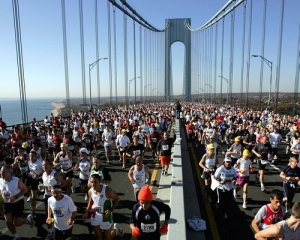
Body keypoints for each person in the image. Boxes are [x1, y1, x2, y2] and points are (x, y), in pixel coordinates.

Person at [82, 174, 124, 240]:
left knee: (107, 238)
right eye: (91, 182)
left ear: (100, 181)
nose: (93, 184)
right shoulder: (90, 191)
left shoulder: (107, 190)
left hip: (105, 216)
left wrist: (110, 210)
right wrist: (86, 212)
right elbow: (90, 202)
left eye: (95, 182)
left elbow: (117, 199)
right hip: (94, 214)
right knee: (99, 238)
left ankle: (116, 229)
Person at [0, 165, 35, 240]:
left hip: (17, 203)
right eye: (1, 171)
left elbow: (25, 189)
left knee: (17, 223)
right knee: (8, 222)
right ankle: (16, 236)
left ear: (9, 172)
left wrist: (15, 197)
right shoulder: (0, 181)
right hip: (6, 204)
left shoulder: (16, 180)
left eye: (3, 172)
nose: (1, 173)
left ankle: (28, 219)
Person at [42, 159, 66, 240]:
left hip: (56, 198)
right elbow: (45, 185)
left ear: (50, 165)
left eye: (46, 165)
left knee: (58, 214)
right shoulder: (43, 174)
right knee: (48, 216)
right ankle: (50, 231)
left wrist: (56, 190)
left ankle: (63, 228)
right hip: (47, 197)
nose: (44, 167)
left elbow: (64, 183)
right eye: (43, 165)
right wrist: (41, 187)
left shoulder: (55, 174)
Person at [27, 149, 44, 217]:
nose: (31, 157)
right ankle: (31, 196)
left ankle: (33, 210)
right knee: (26, 188)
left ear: (36, 156)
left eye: (33, 156)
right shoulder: (29, 162)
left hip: (39, 180)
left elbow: (45, 172)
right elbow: (30, 170)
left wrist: (39, 175)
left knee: (35, 196)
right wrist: (29, 173)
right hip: (32, 179)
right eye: (30, 156)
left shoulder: (40, 163)